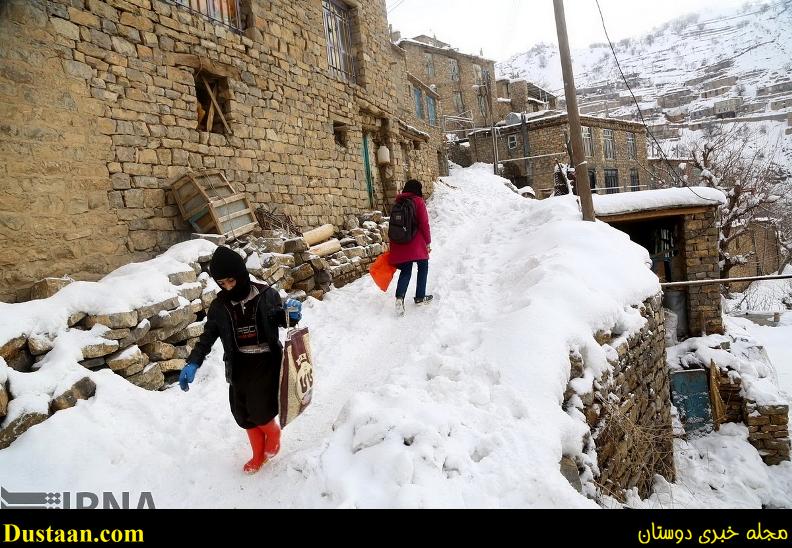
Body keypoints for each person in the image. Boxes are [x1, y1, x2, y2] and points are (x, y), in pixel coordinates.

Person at [178, 246, 303, 474]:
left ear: (241, 275)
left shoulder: (266, 295)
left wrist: (291, 315)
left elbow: (280, 318)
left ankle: (273, 436)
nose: (227, 287)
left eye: (231, 281)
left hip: (266, 362)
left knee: (260, 411)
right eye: (222, 284)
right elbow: (207, 337)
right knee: (243, 413)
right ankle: (257, 454)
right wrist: (193, 361)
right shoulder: (219, 306)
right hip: (238, 364)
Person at [388, 179, 433, 316]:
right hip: (416, 242)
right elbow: (424, 223)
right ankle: (420, 296)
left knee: (406, 271)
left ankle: (399, 297)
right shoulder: (418, 201)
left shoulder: (398, 202)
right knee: (423, 266)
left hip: (399, 242)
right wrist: (428, 241)